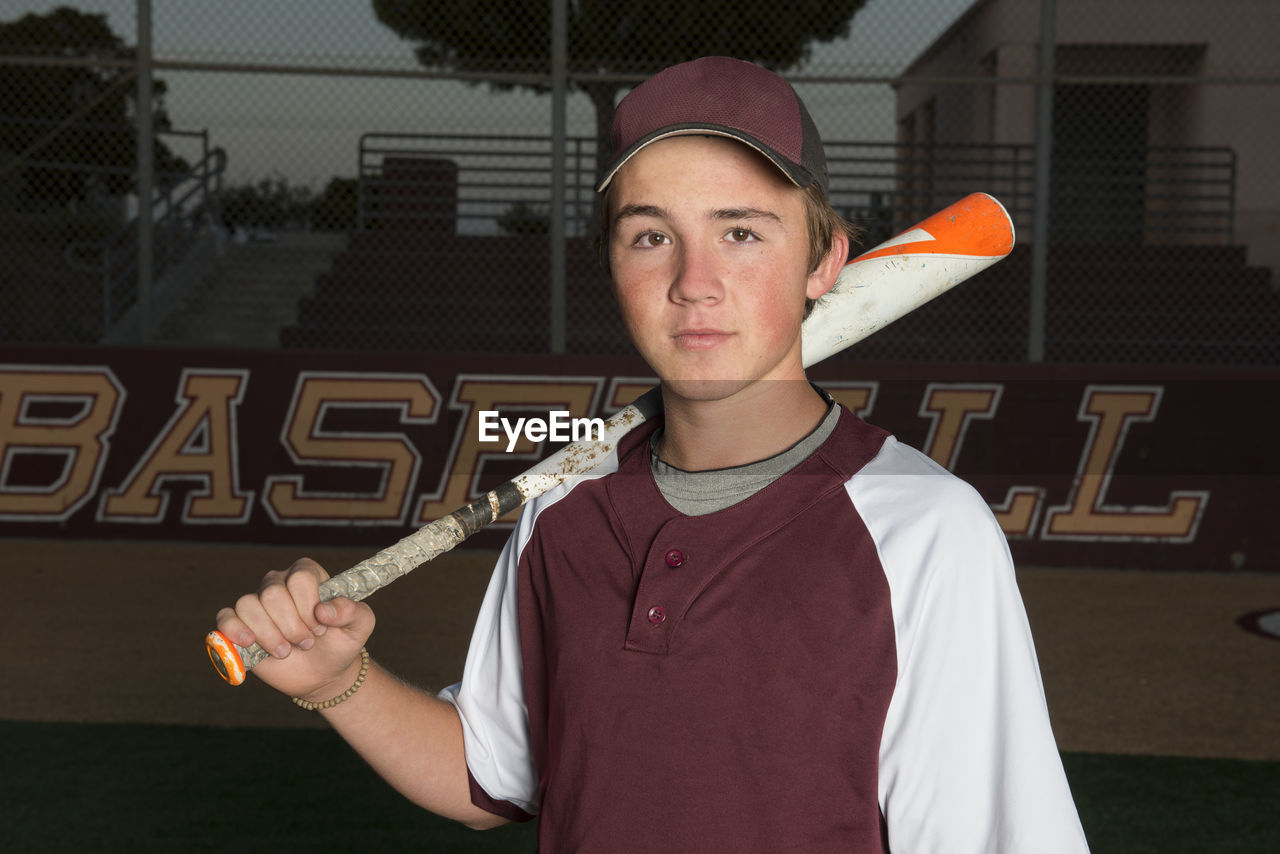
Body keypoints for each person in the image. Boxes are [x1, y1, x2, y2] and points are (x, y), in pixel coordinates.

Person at [216, 56, 1090, 851]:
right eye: (650, 234)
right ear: (612, 263)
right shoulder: (564, 508)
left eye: (741, 232)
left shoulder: (923, 532)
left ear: (825, 260)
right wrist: (338, 681)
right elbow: (496, 776)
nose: (693, 281)